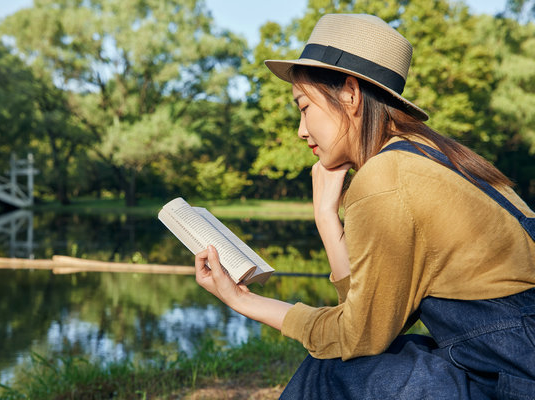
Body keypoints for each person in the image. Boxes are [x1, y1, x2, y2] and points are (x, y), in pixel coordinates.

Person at [194, 13, 535, 399]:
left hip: (514, 377)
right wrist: (327, 218)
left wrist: (241, 299)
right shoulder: (428, 155)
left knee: (332, 373)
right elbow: (366, 322)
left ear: (350, 95)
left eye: (304, 107)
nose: (301, 130)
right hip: (509, 362)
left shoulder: (387, 178)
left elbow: (356, 338)